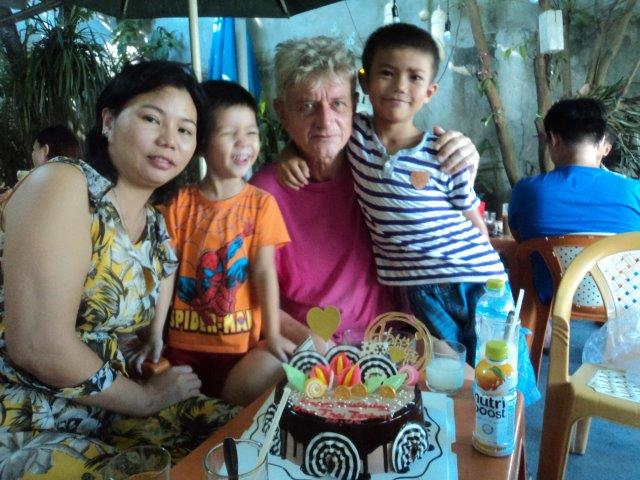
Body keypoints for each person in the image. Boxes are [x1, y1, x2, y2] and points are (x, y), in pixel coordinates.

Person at [0, 61, 238, 479]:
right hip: (26, 417)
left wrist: (149, 340)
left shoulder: (155, 225)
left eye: (185, 130)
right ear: (108, 121)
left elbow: (155, 280)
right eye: (152, 119)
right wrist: (147, 399)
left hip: (106, 411)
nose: (169, 140)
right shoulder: (63, 183)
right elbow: (37, 344)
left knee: (241, 438)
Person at [272, 25, 506, 364]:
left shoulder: (439, 151)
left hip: (473, 281)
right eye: (387, 73)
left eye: (414, 77)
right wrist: (289, 155)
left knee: (503, 370)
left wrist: (468, 152)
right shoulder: (355, 138)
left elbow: (474, 222)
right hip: (417, 295)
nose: (399, 86)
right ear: (366, 83)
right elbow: (317, 135)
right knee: (456, 372)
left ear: (430, 91)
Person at [134, 80, 293, 407]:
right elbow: (167, 272)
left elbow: (264, 271)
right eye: (230, 133)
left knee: (255, 392)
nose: (244, 143)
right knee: (184, 412)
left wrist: (274, 333)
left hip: (242, 350)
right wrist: (154, 334)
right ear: (202, 143)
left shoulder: (262, 204)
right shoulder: (178, 203)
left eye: (251, 132)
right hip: (183, 348)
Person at [509, 97, 640, 302]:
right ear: (601, 141)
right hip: (625, 307)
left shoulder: (527, 191)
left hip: (554, 307)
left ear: (554, 139)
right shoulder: (634, 190)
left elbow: (521, 239)